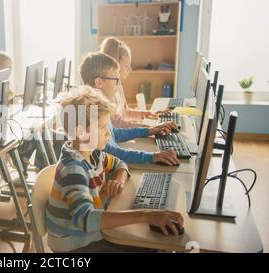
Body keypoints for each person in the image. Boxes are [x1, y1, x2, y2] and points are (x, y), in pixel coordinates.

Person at [45, 86, 184, 253]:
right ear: (81, 132)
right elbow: (86, 219)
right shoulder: (73, 169)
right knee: (152, 246)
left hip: (89, 234)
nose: (108, 134)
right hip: (77, 244)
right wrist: (146, 214)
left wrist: (119, 179)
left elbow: (120, 164)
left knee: (152, 241)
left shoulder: (94, 153)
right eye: (103, 127)